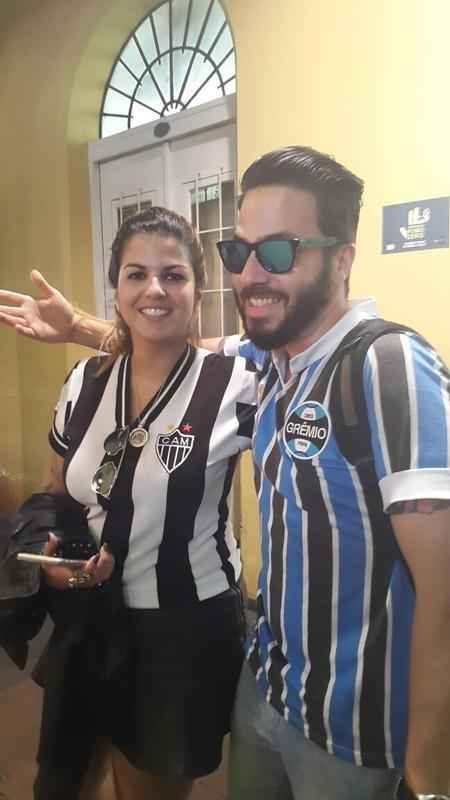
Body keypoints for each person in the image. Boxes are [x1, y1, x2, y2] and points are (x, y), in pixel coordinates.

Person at [1, 146, 449, 800]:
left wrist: (430, 771)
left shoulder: (362, 365)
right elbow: (159, 348)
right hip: (258, 684)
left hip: (326, 709)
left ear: (343, 256)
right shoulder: (266, 362)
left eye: (280, 250)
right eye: (242, 253)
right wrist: (83, 332)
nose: (253, 273)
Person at [0, 206, 256, 800]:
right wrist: (47, 554)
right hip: (89, 623)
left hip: (182, 632)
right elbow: (53, 487)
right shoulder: (85, 381)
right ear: (115, 288)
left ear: (197, 288)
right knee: (62, 779)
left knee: (148, 788)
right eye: (136, 274)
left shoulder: (236, 384)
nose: (155, 290)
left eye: (173, 275)